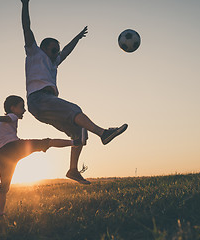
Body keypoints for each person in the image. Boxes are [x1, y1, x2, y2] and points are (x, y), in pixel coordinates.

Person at [20, 0, 128, 185]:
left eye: (58, 50)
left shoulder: (54, 63)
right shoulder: (34, 53)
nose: (57, 52)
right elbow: (26, 27)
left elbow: (67, 51)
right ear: (44, 48)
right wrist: (25, 4)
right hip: (39, 99)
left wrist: (77, 38)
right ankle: (103, 133)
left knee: (79, 131)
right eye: (54, 49)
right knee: (75, 109)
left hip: (47, 104)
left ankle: (72, 170)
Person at [0, 95, 79, 216]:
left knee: (4, 187)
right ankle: (75, 142)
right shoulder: (11, 117)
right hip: (12, 148)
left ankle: (0, 213)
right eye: (22, 107)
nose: (24, 110)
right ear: (13, 108)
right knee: (44, 143)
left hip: (3, 157)